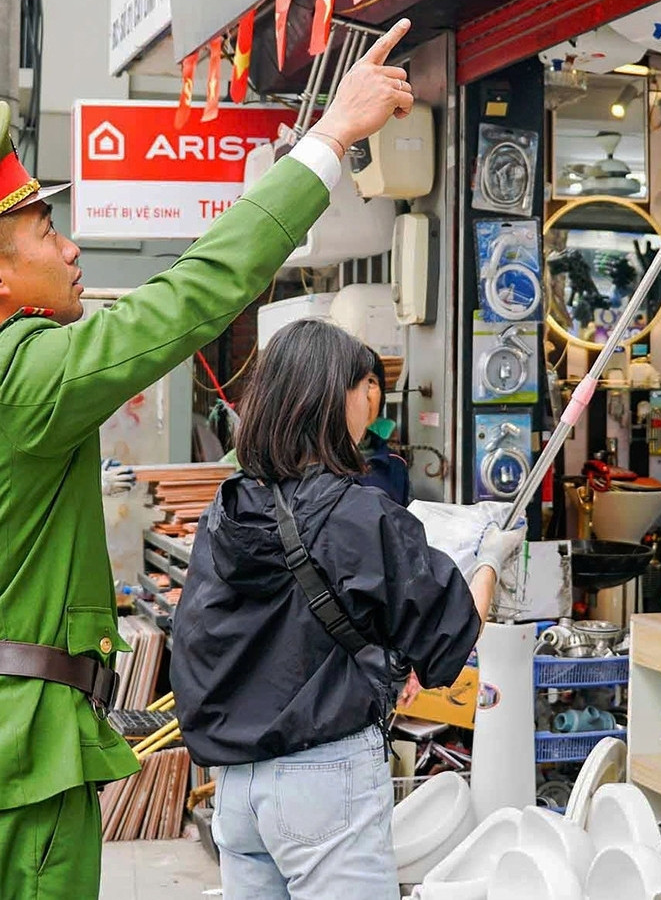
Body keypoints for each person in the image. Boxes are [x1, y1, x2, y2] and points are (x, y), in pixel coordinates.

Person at [0, 19, 417, 900]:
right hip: (12, 767)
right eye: (45, 230)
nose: (70, 249)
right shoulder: (19, 375)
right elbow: (195, 290)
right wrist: (331, 137)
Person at [170, 319, 520, 900]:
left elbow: (241, 638)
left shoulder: (227, 508)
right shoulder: (357, 512)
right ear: (336, 398)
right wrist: (489, 558)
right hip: (322, 784)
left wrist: (378, 666)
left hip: (235, 791)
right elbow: (454, 627)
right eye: (367, 391)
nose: (370, 409)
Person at [356, 345, 413, 505]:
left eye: (371, 381)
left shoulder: (394, 463)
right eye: (352, 382)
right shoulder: (309, 464)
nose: (364, 392)